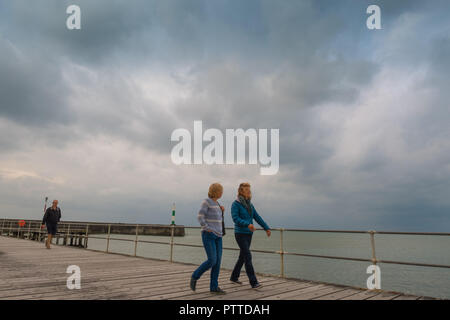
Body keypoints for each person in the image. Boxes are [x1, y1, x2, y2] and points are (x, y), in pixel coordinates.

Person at [230, 183, 271, 288]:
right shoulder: (235, 204)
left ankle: (234, 277)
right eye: (247, 190)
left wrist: (266, 227)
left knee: (242, 257)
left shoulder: (250, 205)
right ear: (241, 191)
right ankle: (253, 282)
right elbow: (235, 219)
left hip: (249, 234)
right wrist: (247, 224)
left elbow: (257, 217)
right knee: (248, 256)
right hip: (240, 234)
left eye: (249, 190)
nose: (249, 192)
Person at [190, 183, 226, 294]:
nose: (222, 192)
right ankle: (195, 276)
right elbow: (200, 216)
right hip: (209, 235)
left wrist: (222, 211)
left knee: (218, 262)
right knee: (212, 260)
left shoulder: (217, 203)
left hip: (219, 236)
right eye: (221, 190)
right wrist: (206, 227)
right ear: (216, 191)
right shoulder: (206, 201)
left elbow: (217, 219)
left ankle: (214, 287)